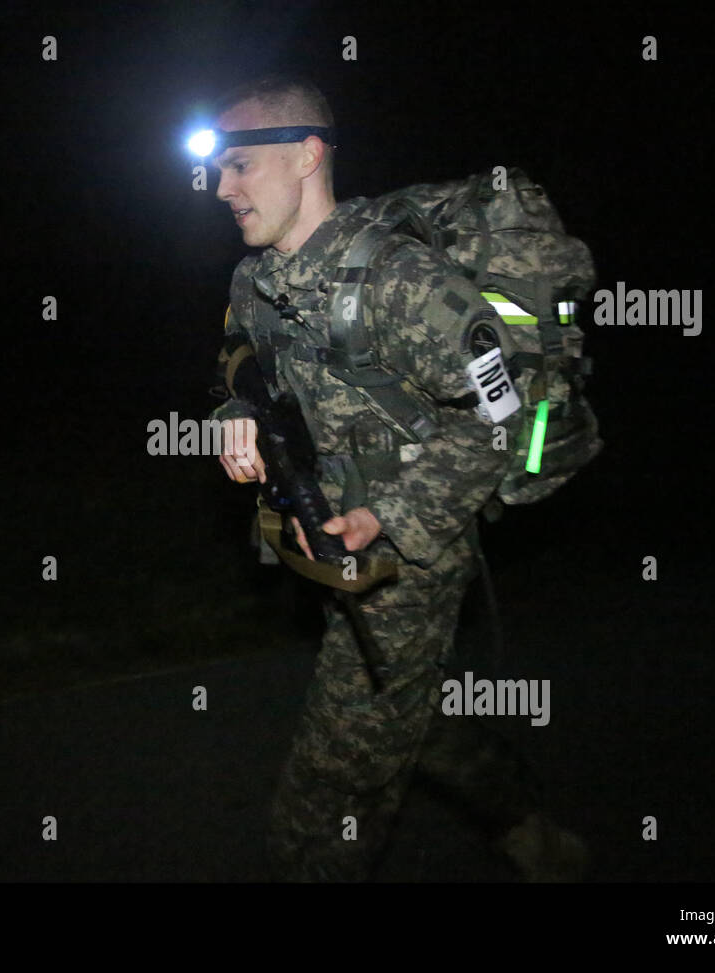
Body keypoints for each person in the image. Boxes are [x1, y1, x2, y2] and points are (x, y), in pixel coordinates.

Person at [206, 74, 587, 882]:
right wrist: (234, 407)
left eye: (239, 165)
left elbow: (503, 415)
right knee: (417, 710)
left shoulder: (400, 281)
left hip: (407, 559)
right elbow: (237, 356)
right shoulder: (255, 279)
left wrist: (391, 514)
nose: (219, 187)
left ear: (307, 155)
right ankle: (529, 830)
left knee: (329, 787)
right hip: (325, 539)